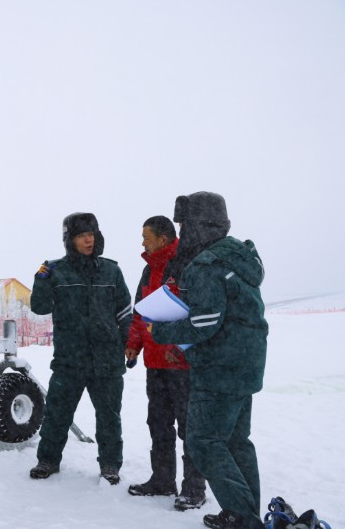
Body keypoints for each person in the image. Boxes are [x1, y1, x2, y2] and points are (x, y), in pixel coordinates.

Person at [149, 192, 268, 529]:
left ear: (200, 225)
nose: (183, 232)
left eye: (185, 225)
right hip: (245, 363)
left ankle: (243, 516)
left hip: (218, 367)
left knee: (203, 441)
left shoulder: (206, 264)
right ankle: (245, 513)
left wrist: (160, 329)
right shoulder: (239, 257)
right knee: (235, 440)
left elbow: (204, 322)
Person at [29, 212, 132, 485]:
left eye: (92, 234)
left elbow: (124, 313)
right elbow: (40, 308)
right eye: (82, 235)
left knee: (109, 417)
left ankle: (110, 465)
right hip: (69, 360)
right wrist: (40, 281)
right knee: (57, 413)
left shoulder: (112, 271)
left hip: (107, 360)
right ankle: (48, 460)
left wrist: (126, 344)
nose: (89, 240)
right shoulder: (57, 271)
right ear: (69, 239)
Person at [125, 215, 207, 510]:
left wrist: (179, 347)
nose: (143, 242)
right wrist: (134, 344)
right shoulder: (148, 271)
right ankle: (162, 481)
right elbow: (140, 313)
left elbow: (196, 314)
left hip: (182, 363)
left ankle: (194, 489)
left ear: (163, 238)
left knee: (189, 428)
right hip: (155, 363)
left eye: (146, 236)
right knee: (158, 424)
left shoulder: (187, 265)